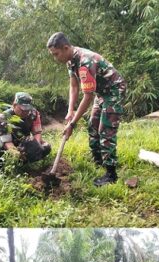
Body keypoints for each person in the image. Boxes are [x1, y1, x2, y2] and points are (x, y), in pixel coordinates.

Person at [47, 32, 127, 186]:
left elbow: (88, 97)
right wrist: (70, 110)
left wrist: (72, 124)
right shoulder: (71, 61)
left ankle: (111, 174)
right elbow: (74, 86)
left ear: (65, 48)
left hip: (114, 91)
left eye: (56, 54)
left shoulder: (85, 62)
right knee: (93, 125)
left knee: (106, 129)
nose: (55, 58)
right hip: (101, 92)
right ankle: (98, 161)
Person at [0, 92, 51, 168]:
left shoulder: (34, 113)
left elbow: (37, 133)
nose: (25, 112)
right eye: (22, 109)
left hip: (23, 142)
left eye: (27, 109)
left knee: (46, 147)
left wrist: (36, 146)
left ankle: (26, 164)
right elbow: (7, 142)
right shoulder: (3, 118)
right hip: (6, 145)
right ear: (14, 105)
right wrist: (17, 154)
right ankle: (1, 167)